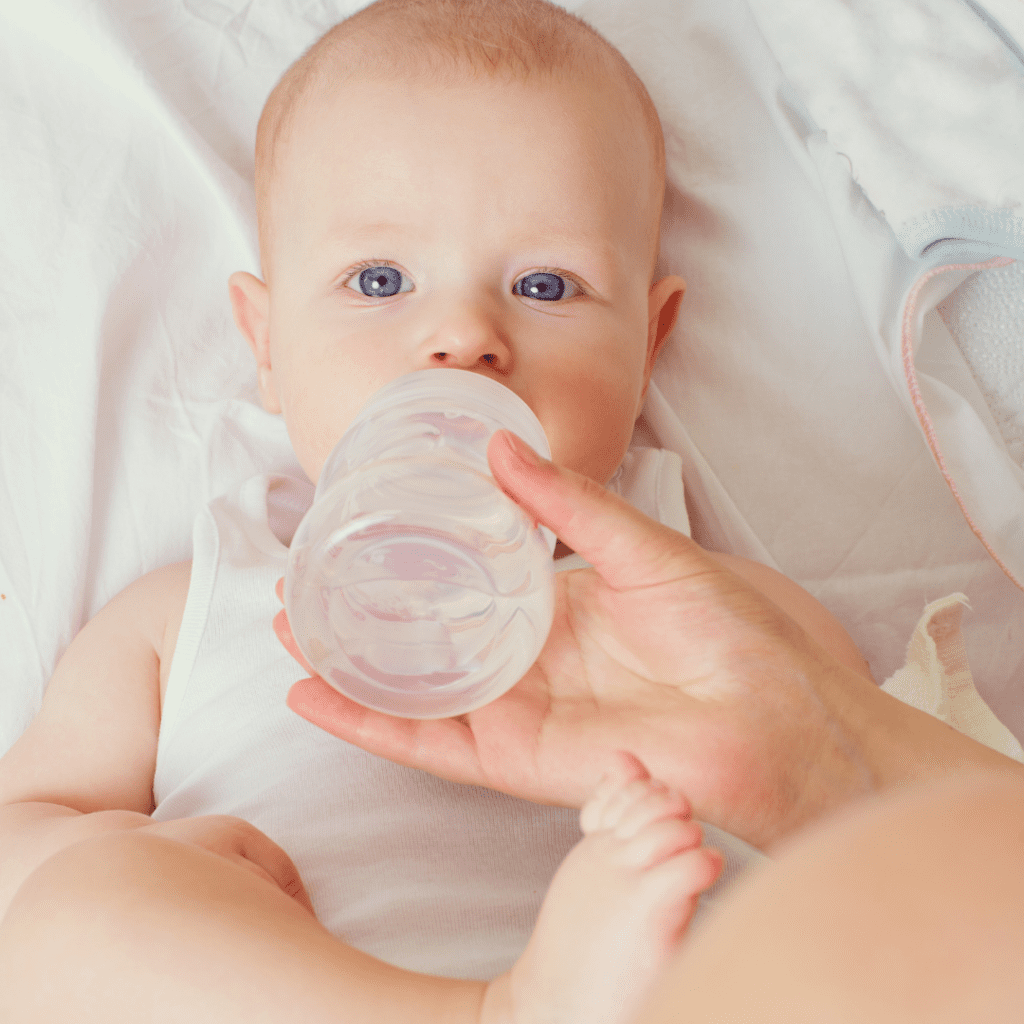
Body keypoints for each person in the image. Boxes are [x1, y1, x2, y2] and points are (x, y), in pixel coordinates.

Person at [0, 1, 1020, 1021]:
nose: (462, 335)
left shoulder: (736, 619)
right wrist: (128, 865)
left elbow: (859, 862)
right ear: (264, 344)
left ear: (646, 347)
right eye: (380, 278)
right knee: (73, 915)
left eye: (545, 284)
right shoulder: (185, 606)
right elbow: (22, 835)